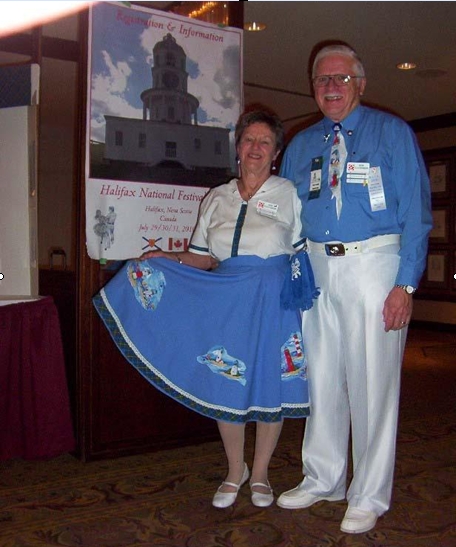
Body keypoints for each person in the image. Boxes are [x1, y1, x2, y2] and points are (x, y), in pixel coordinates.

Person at [93, 110, 319, 509]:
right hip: (226, 298)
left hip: (272, 302)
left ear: (276, 152)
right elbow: (202, 258)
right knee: (225, 381)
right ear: (238, 148)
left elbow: (303, 253)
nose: (255, 148)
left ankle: (262, 474)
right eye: (248, 139)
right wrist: (168, 257)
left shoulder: (290, 193)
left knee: (269, 384)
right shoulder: (217, 197)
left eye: (264, 141)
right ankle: (237, 470)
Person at [276, 44, 432, 534]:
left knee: (373, 383)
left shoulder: (392, 133)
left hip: (375, 264)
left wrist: (405, 284)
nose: (331, 88)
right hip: (319, 267)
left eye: (342, 79)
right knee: (322, 378)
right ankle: (324, 476)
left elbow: (417, 215)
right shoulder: (301, 146)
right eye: (323, 80)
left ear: (361, 84)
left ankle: (368, 493)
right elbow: (287, 216)